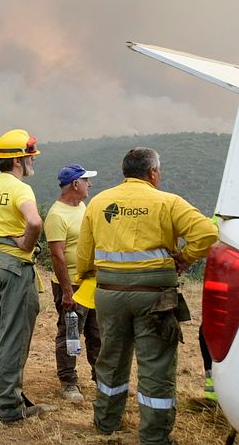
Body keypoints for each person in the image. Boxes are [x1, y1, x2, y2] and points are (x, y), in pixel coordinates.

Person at [77, 147, 218, 444]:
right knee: (156, 365)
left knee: (111, 358)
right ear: (153, 172)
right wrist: (185, 258)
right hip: (155, 296)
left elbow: (84, 255)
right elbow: (206, 233)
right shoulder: (167, 201)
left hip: (109, 293)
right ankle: (154, 436)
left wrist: (91, 277)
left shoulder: (99, 202)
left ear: (125, 172)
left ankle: (105, 423)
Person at [0, 129, 51, 422]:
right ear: (19, 160)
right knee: (14, 336)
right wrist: (26, 244)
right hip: (14, 266)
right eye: (31, 156)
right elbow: (34, 221)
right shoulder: (22, 189)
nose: (33, 161)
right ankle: (9, 406)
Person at [44, 165, 100, 403]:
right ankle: (69, 382)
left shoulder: (81, 207)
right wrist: (67, 291)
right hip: (73, 286)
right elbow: (57, 256)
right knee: (70, 334)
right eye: (87, 181)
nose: (91, 185)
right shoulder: (57, 216)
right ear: (75, 184)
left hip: (91, 283)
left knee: (97, 334)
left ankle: (102, 380)